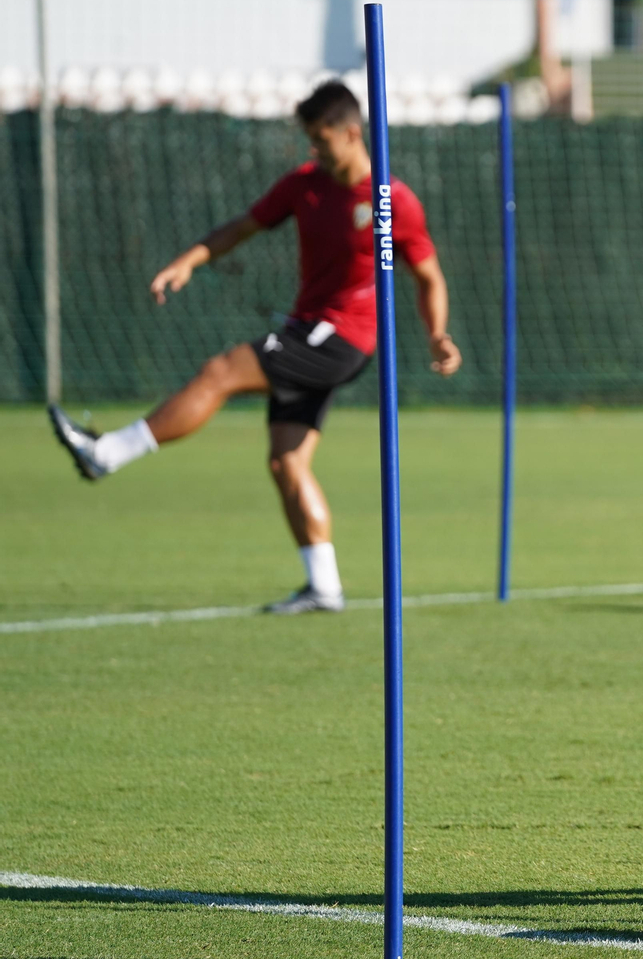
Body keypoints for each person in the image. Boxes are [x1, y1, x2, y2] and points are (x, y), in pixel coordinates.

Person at [48, 81, 460, 614]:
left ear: (353, 133)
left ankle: (105, 454)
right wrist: (189, 260)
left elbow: (428, 276)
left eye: (322, 138)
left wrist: (437, 334)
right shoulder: (305, 185)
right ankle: (324, 586)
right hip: (311, 330)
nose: (314, 149)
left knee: (220, 372)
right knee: (286, 463)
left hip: (341, 337)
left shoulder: (390, 201)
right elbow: (244, 226)